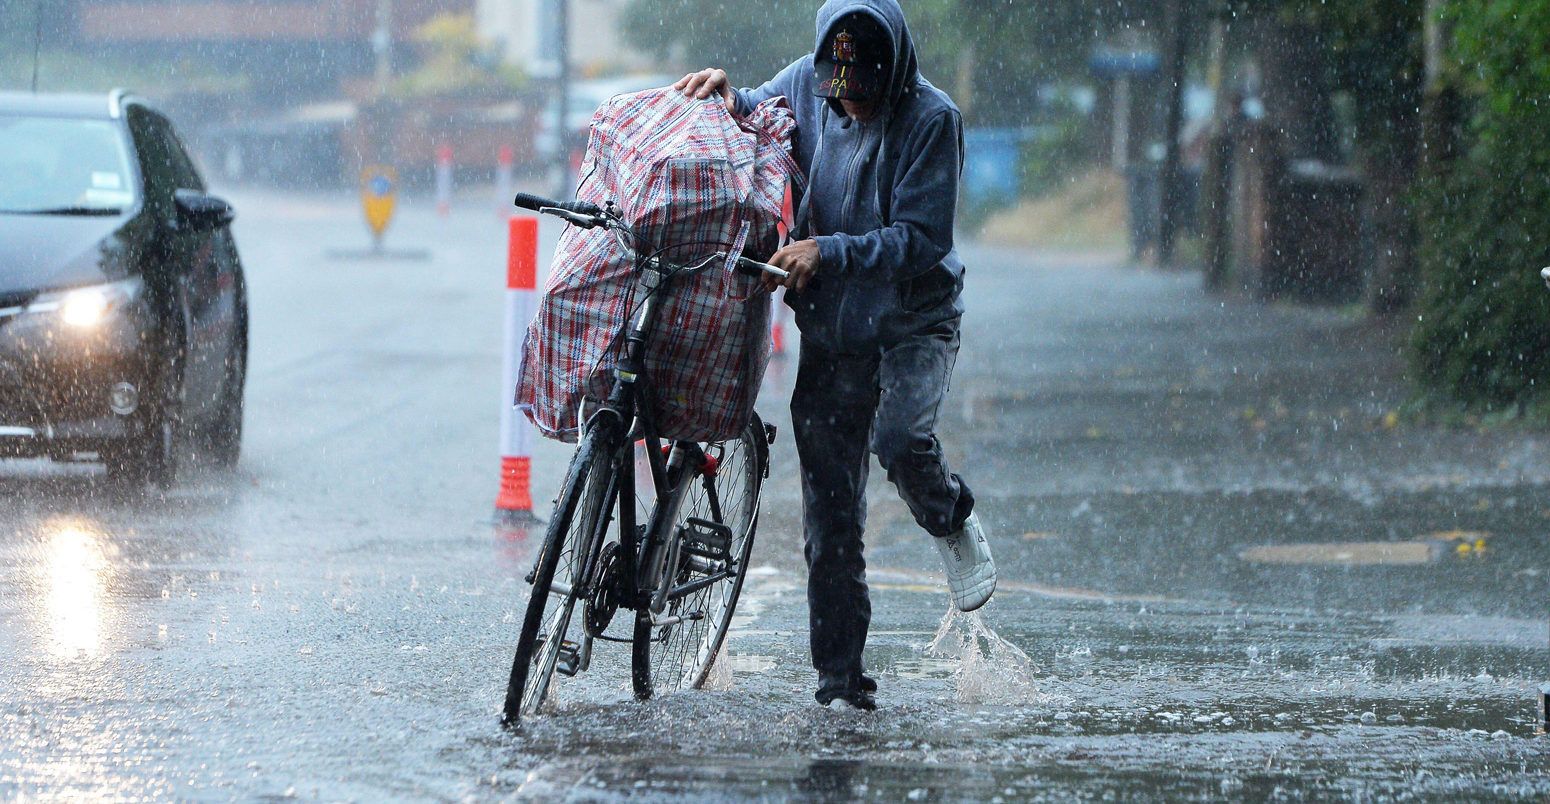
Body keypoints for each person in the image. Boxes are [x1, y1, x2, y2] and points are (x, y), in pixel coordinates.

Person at [675, 0, 994, 711]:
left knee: (902, 440)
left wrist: (829, 250)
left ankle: (949, 516)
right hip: (833, 330)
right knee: (830, 518)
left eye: (863, 89)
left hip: (914, 320)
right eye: (836, 88)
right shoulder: (806, 81)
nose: (847, 101)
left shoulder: (931, 120)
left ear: (894, 72)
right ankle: (841, 685)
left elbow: (921, 238)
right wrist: (728, 95)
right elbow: (758, 110)